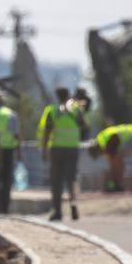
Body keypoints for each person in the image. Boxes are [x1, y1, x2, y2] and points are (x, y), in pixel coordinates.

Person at [40, 87, 87, 221]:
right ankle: (73, 206)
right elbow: (84, 126)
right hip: (72, 148)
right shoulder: (76, 110)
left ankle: (57, 211)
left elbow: (47, 132)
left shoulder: (53, 111)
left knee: (56, 181)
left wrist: (44, 150)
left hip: (57, 149)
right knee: (71, 179)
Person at [0, 91, 21, 213]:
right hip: (7, 150)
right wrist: (19, 151)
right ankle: (5, 208)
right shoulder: (10, 114)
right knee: (6, 180)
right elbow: (16, 134)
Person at [95, 122, 132, 193]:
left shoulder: (109, 140)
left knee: (117, 164)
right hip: (127, 139)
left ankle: (117, 183)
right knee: (116, 164)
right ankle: (116, 183)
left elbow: (113, 154)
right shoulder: (103, 139)